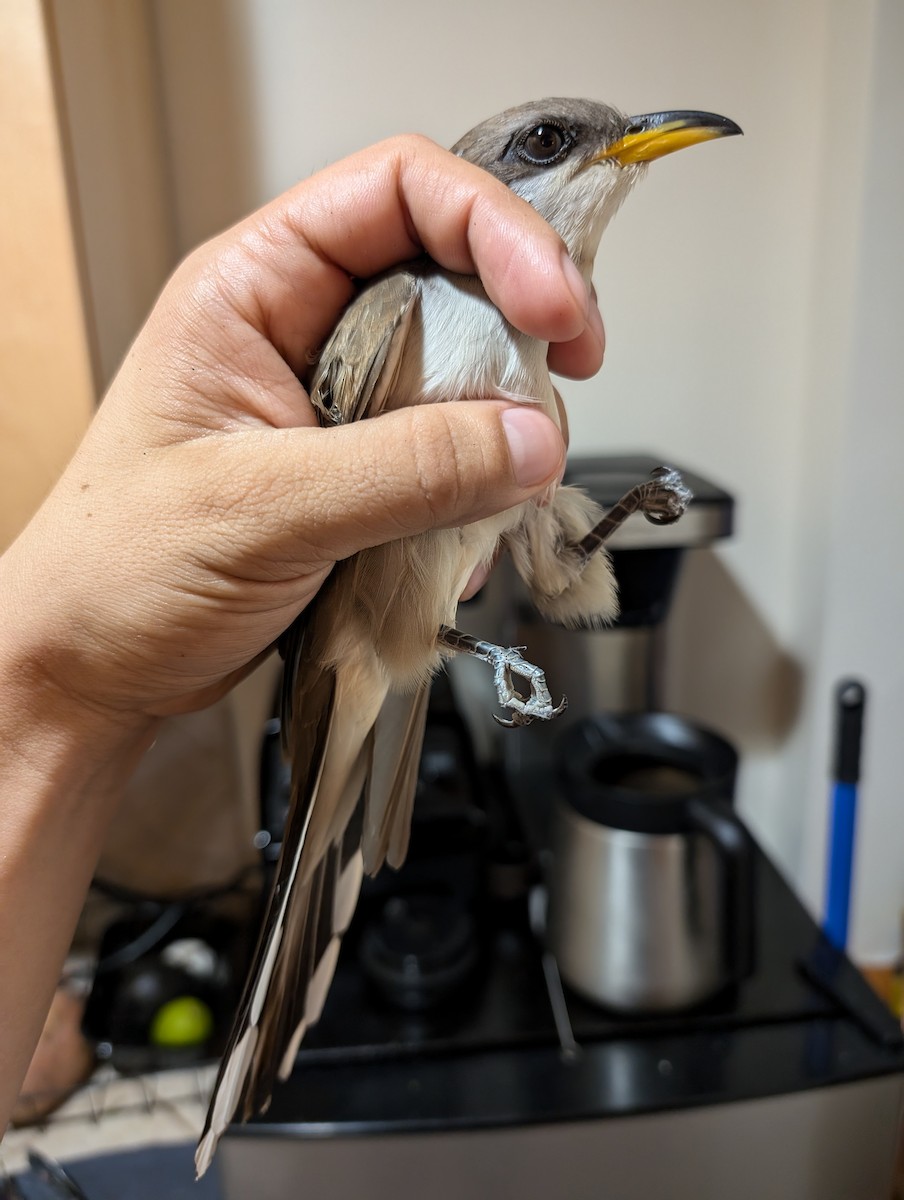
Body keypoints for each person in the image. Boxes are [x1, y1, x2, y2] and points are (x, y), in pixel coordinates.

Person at [0, 134, 605, 1130]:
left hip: (412, 616)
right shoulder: (397, 305)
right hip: (356, 625)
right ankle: (271, 1020)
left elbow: (501, 553)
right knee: (317, 866)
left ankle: (277, 1014)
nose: (606, 154)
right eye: (551, 144)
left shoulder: (525, 341)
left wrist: (60, 699)